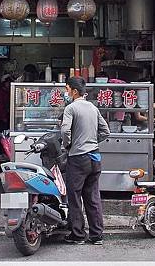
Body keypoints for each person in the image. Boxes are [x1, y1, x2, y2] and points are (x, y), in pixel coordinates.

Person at [60, 76, 110, 246]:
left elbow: (65, 132)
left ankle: (78, 234)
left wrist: (68, 145)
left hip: (78, 158)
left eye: (67, 89)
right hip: (95, 157)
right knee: (93, 197)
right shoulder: (93, 108)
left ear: (74, 91)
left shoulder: (70, 108)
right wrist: (93, 141)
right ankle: (96, 236)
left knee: (74, 197)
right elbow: (106, 131)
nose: (65, 93)